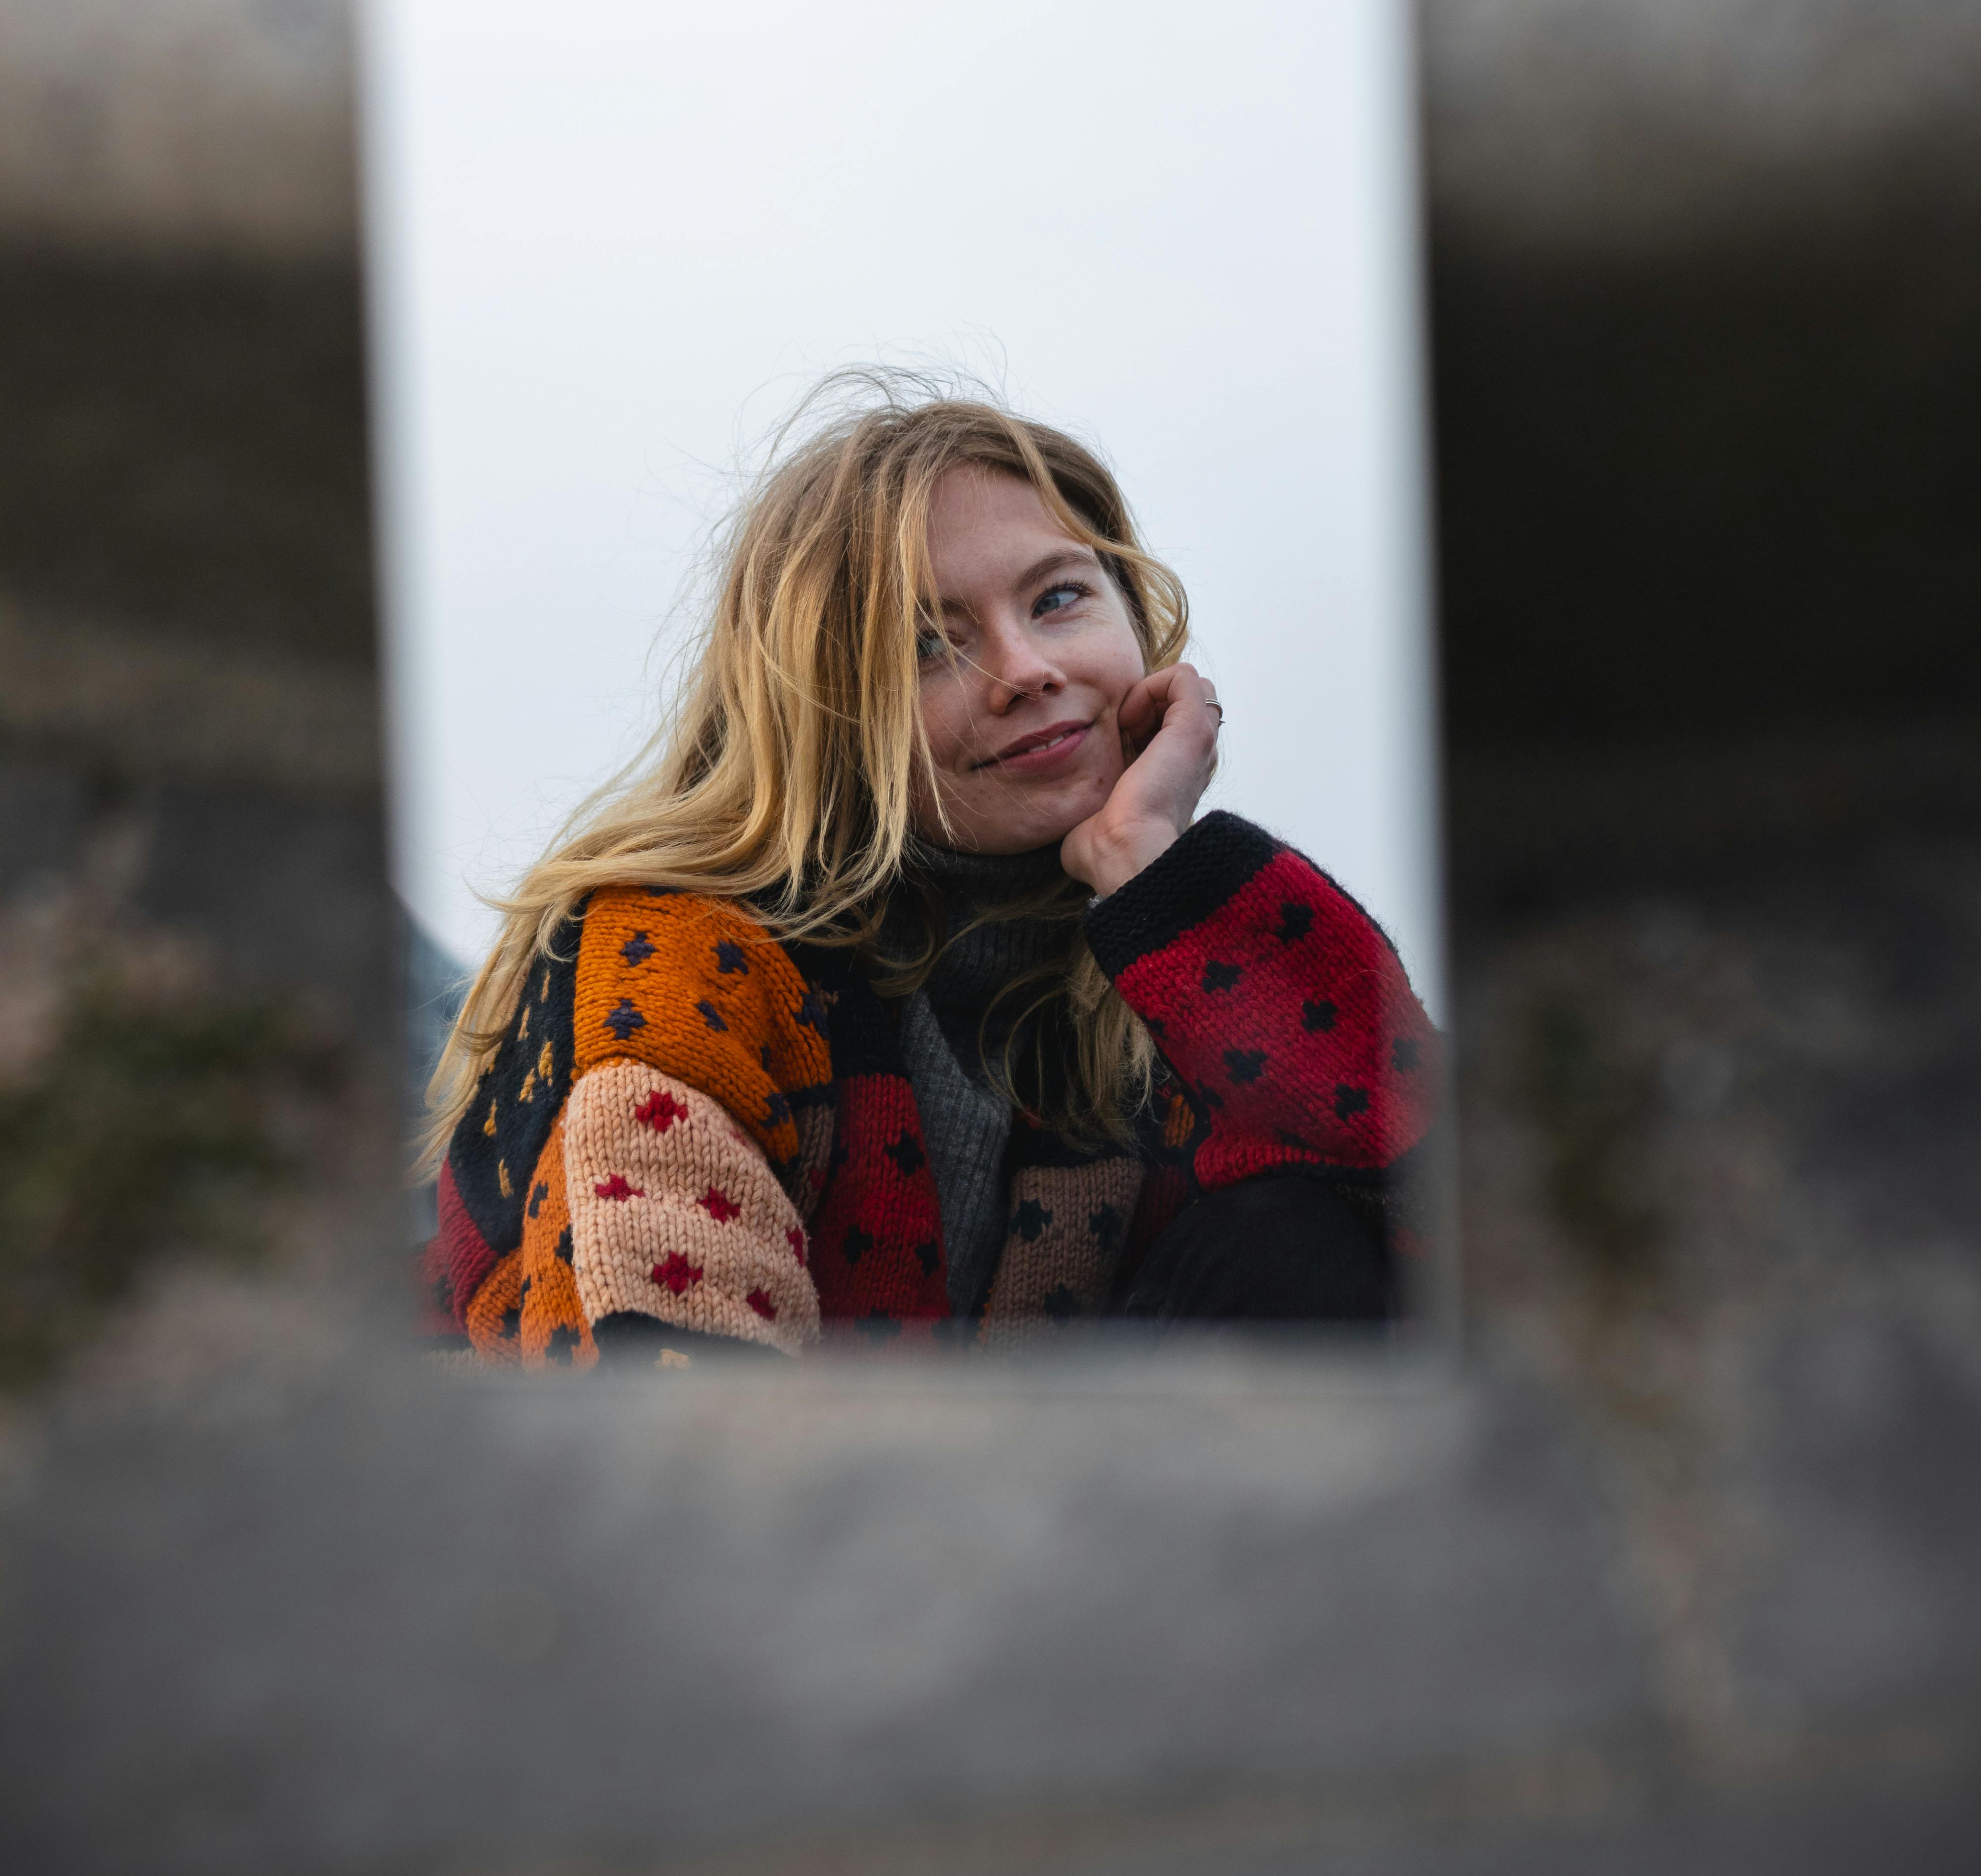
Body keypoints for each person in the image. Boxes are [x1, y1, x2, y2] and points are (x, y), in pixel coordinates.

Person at [417, 378, 1440, 1365]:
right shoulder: (677, 953)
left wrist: (1156, 879)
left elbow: (1453, 1241)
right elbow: (665, 1405)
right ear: (822, 715)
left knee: (1295, 1234)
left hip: (1039, 1513)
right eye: (928, 646)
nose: (1026, 670)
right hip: (683, 1519)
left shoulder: (1146, 962)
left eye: (1057, 598)